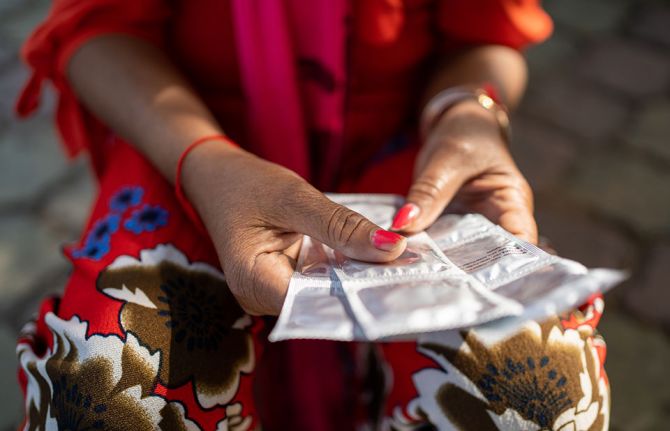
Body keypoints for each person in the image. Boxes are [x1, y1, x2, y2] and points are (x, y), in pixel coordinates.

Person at [14, 0, 609, 429]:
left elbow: (485, 34)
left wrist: (468, 113)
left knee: (531, 399)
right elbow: (96, 30)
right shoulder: (197, 158)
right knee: (111, 399)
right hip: (191, 152)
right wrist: (203, 162)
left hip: (403, 161)